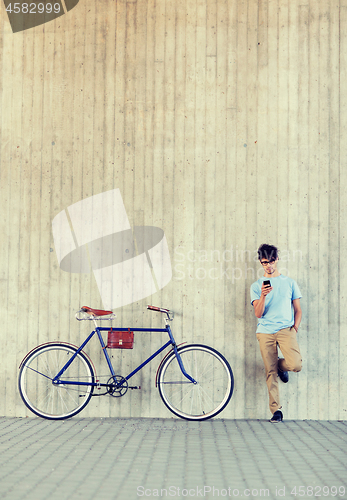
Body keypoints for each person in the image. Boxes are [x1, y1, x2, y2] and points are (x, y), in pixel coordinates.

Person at [250, 243, 302, 423]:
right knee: (269, 371)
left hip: (286, 330)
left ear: (277, 259)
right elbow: (258, 313)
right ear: (260, 263)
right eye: (265, 262)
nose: (269, 265)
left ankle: (281, 366)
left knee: (295, 364)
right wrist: (263, 295)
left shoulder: (290, 282)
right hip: (265, 332)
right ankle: (276, 410)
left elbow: (298, 309)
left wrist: (294, 328)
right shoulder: (256, 286)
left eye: (272, 261)